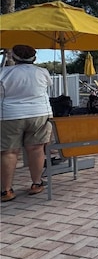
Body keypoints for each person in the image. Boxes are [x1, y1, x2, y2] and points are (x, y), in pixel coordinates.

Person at [1, 45, 52, 202]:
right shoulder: (42, 72)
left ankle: (6, 190)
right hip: (39, 113)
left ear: (14, 57)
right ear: (34, 58)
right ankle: (36, 183)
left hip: (10, 115)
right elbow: (47, 87)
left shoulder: (4, 73)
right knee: (36, 149)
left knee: (9, 152)